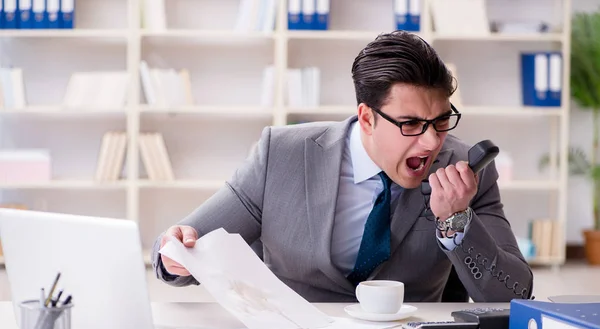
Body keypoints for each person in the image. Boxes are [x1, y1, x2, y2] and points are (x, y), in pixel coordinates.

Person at [151, 30, 534, 303]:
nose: (432, 142)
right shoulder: (281, 155)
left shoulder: (467, 172)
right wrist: (176, 256)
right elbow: (182, 247)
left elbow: (514, 294)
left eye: (440, 121)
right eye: (411, 124)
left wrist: (456, 222)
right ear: (366, 118)